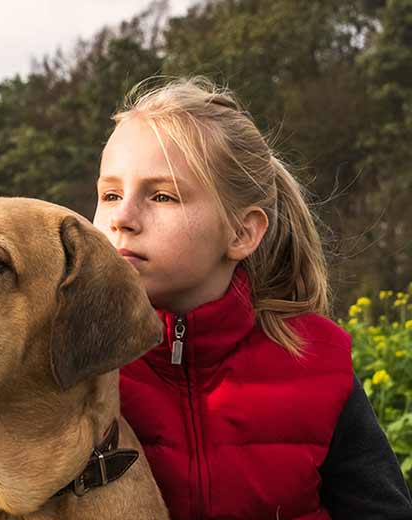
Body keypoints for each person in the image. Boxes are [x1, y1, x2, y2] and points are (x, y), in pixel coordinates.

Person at [92, 76, 412, 519]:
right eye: (109, 194)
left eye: (163, 195)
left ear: (242, 232)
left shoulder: (318, 363)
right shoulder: (79, 363)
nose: (121, 218)